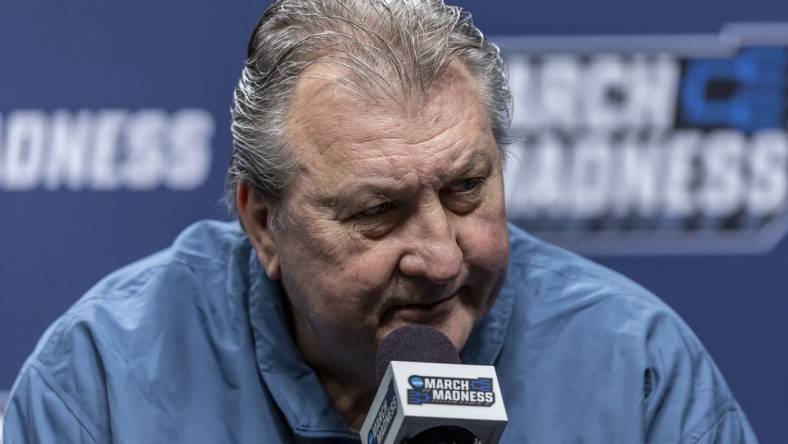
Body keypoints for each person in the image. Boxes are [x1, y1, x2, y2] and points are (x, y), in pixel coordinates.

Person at [3, 0, 759, 442]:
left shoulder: (636, 370)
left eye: (466, 188)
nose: (438, 257)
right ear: (262, 222)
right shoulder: (101, 377)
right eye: (376, 212)